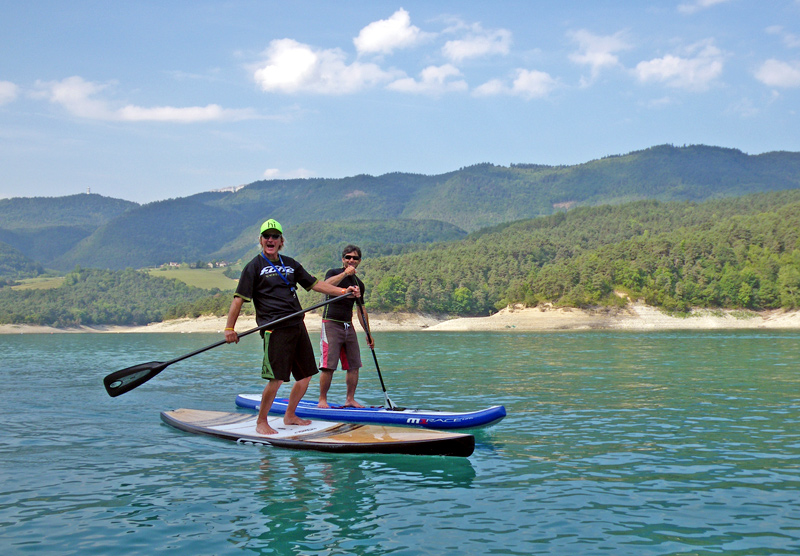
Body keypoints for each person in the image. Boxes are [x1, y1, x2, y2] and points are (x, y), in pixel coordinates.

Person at [224, 219, 360, 435]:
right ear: (261, 240)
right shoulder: (254, 267)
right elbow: (238, 299)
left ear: (281, 241)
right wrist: (230, 328)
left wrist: (344, 292)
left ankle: (290, 415)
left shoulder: (290, 264)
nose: (271, 240)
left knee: (305, 376)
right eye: (266, 236)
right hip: (275, 328)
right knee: (276, 379)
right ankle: (262, 421)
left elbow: (316, 285)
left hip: (297, 325)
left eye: (275, 236)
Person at [318, 245, 374, 409]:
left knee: (354, 365)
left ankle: (350, 399)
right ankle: (322, 400)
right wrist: (344, 274)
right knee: (328, 366)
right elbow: (325, 285)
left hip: (348, 326)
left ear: (359, 261)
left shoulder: (359, 284)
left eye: (354, 258)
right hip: (331, 323)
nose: (351, 260)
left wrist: (368, 333)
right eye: (348, 257)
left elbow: (361, 309)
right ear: (343, 259)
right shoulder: (333, 273)